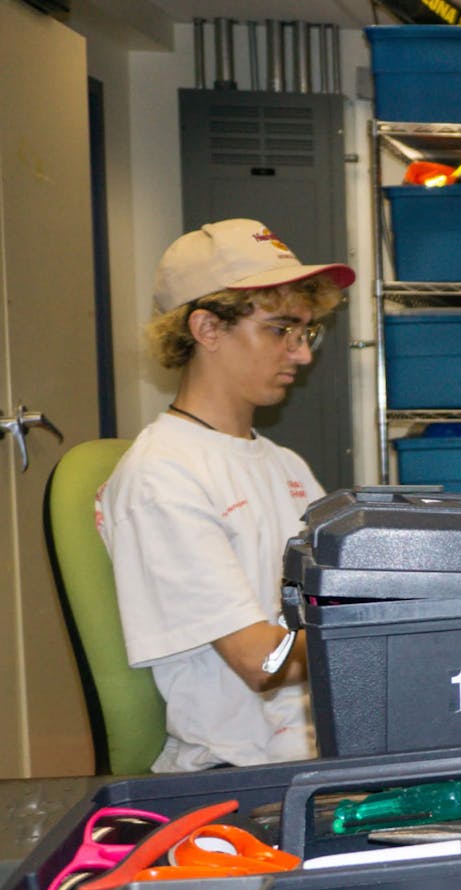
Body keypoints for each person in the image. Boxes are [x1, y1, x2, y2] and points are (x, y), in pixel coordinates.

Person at [97, 219, 353, 772]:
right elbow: (262, 661)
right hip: (245, 771)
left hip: (322, 749)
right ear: (207, 328)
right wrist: (388, 637)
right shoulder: (163, 475)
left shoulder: (284, 464)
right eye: (280, 330)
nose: (302, 355)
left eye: (306, 332)